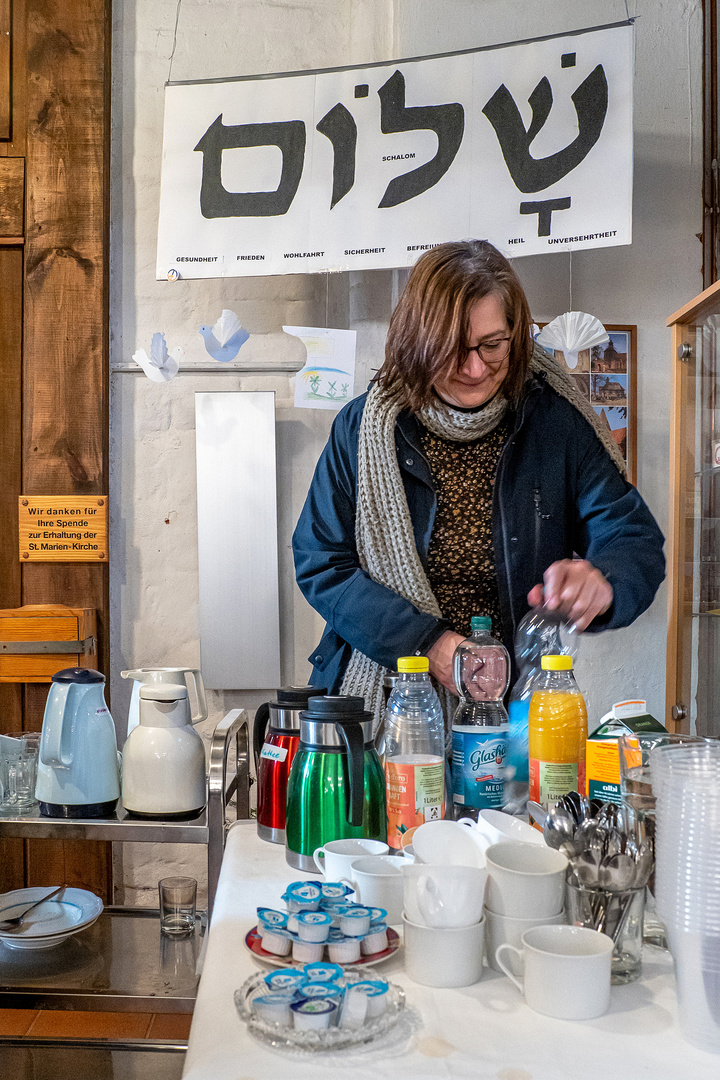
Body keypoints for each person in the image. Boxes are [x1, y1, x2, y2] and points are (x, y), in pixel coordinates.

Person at [292, 240, 665, 724]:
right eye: (451, 349)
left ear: (515, 334)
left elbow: (632, 538)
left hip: (512, 703)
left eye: (492, 345)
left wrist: (604, 581)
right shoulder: (362, 428)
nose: (474, 369)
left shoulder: (556, 423)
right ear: (418, 340)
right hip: (383, 696)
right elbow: (323, 562)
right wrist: (429, 646)